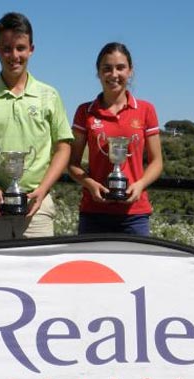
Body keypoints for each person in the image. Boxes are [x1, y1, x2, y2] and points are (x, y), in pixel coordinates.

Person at [0, 12, 73, 244]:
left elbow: (63, 148)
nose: (14, 55)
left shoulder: (49, 96)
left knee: (36, 276)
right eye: (7, 48)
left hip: (36, 209)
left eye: (21, 48)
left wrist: (43, 190)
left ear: (31, 49)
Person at [68, 42, 163, 236]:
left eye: (120, 68)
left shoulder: (146, 110)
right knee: (91, 267)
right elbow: (72, 164)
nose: (114, 74)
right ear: (98, 72)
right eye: (107, 68)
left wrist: (139, 186)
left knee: (137, 267)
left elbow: (157, 162)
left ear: (130, 71)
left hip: (134, 214)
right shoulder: (84, 111)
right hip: (93, 212)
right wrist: (90, 184)